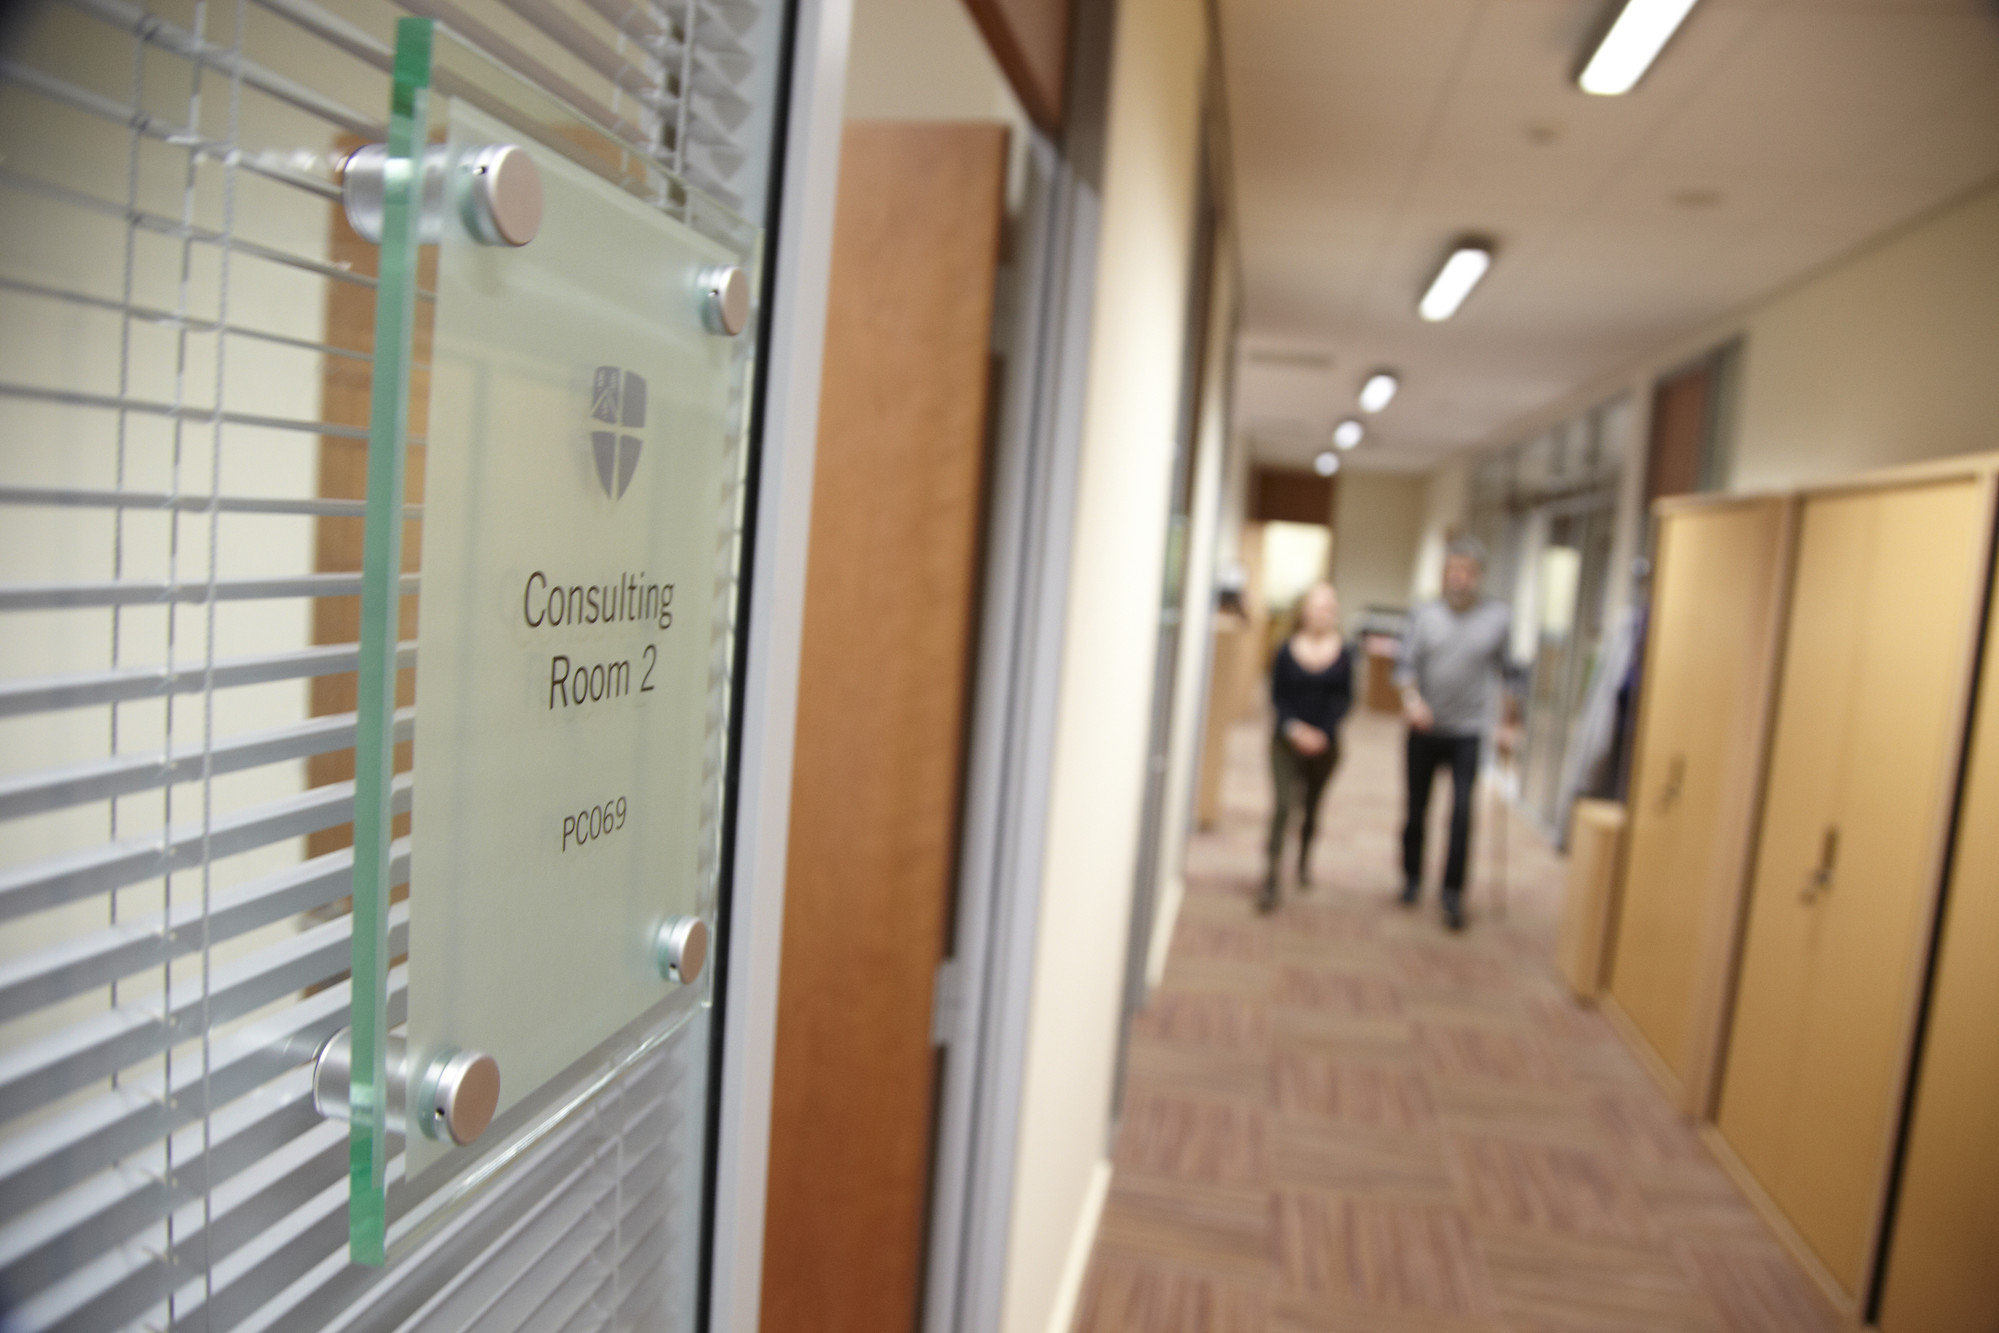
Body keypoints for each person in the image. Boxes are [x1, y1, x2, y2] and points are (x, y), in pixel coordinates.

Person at [1396, 536, 1517, 930]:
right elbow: (1404, 667)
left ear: (1478, 576)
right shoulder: (1424, 614)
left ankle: (1452, 893)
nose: (1459, 578)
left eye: (1466, 571)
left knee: (1463, 814)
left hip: (1469, 732)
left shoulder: (1498, 617)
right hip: (1425, 727)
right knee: (1417, 808)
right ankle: (1412, 878)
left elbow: (1511, 674)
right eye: (1452, 570)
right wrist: (1414, 703)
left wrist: (1508, 723)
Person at [1264, 582, 1354, 912]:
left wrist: (1322, 734)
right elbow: (1277, 697)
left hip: (1326, 746)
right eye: (1316, 607)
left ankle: (1303, 862)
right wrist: (1296, 729)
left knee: (1312, 807)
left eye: (1329, 608)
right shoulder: (1285, 650)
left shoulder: (1344, 653)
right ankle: (1272, 874)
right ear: (1304, 610)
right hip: (1286, 742)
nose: (1322, 614)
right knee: (1284, 805)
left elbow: (1345, 700)